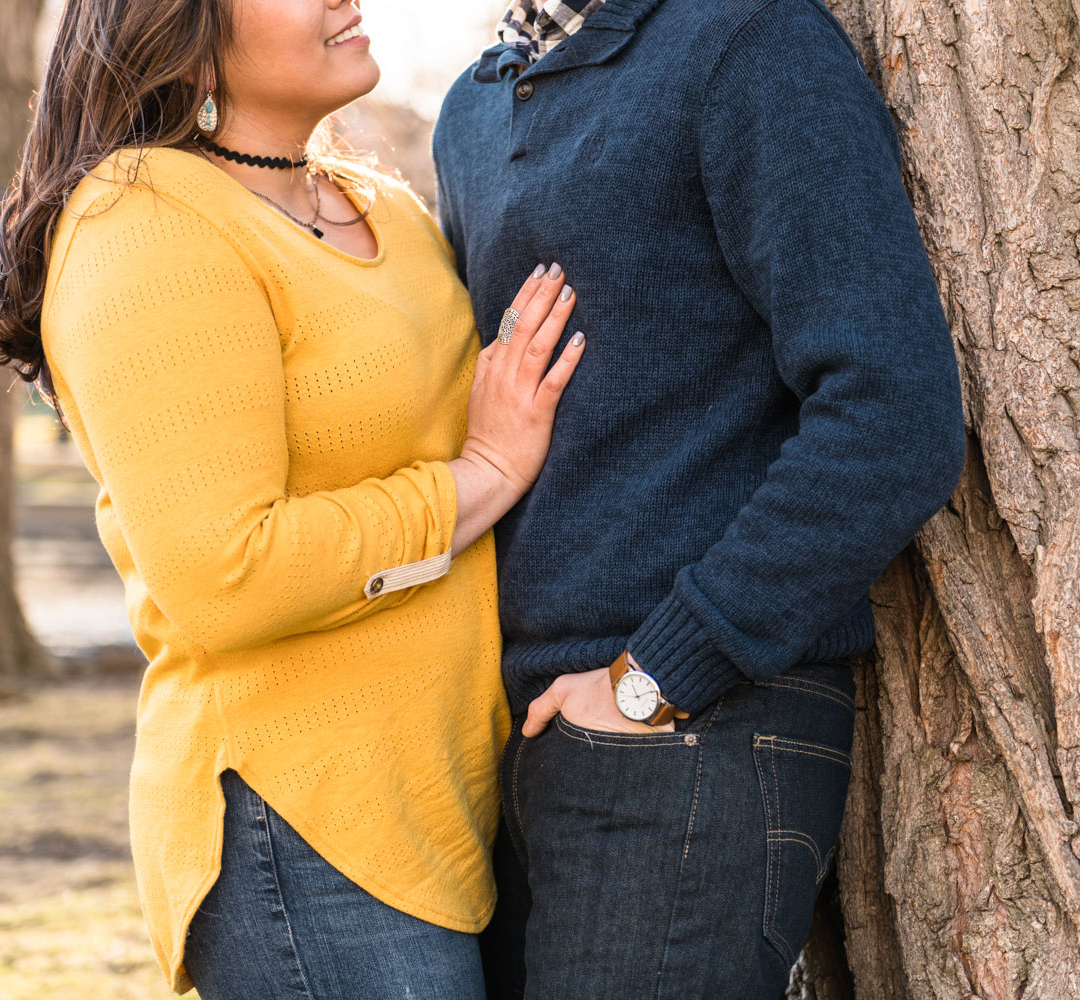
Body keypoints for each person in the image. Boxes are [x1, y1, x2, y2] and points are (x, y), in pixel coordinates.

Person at [0, 0, 589, 996]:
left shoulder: (383, 206)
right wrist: (481, 479)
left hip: (442, 809)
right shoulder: (145, 219)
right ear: (183, 28)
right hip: (299, 827)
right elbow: (225, 572)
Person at [432, 0, 968, 996]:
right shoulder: (473, 107)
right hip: (510, 742)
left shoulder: (747, 41)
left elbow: (892, 411)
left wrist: (659, 672)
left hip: (691, 726)